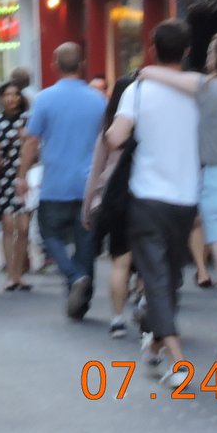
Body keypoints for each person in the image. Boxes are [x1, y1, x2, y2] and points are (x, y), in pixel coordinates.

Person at [133, 29, 217, 388]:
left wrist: (143, 71)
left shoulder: (206, 87)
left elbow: (159, 74)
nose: (208, 56)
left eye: (212, 50)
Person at [105, 20, 201, 389]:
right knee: (170, 276)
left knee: (156, 278)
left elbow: (116, 138)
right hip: (187, 197)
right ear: (188, 52)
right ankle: (157, 345)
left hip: (147, 197)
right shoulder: (198, 90)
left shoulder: (139, 91)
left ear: (152, 48)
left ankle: (178, 361)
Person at [16, 43, 107, 320]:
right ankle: (82, 298)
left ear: (55, 63)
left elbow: (32, 140)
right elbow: (107, 139)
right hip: (87, 183)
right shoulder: (99, 100)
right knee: (85, 242)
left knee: (49, 234)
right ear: (82, 64)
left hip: (55, 182)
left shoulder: (45, 99)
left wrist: (22, 176)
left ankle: (73, 275)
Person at [83, 74, 138, 337]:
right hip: (148, 195)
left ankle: (117, 319)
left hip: (115, 199)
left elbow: (96, 172)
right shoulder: (148, 125)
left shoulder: (109, 130)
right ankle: (146, 304)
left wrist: (88, 209)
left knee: (120, 262)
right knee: (151, 260)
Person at [0, 82, 33, 291]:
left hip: (25, 176)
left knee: (23, 227)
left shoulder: (28, 120)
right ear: (1, 98)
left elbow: (36, 147)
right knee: (7, 225)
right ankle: (11, 275)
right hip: (4, 177)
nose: (11, 99)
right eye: (6, 95)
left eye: (15, 95)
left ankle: (19, 272)